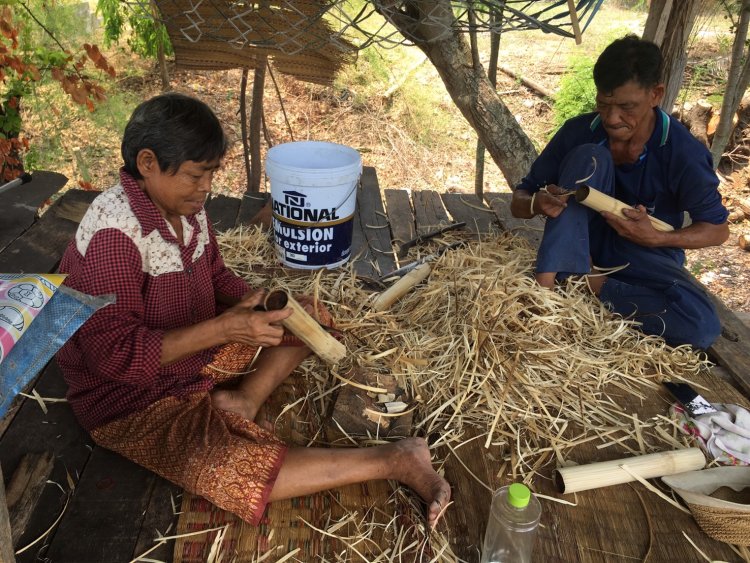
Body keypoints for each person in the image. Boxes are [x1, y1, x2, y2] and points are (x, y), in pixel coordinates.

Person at [56, 92, 450, 529]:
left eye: (211, 174)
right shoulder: (115, 237)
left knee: (310, 320)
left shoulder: (184, 206)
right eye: (194, 175)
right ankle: (394, 460)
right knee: (227, 469)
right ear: (147, 163)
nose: (205, 188)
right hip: (132, 398)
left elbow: (217, 276)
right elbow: (115, 357)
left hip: (193, 359)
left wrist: (267, 305)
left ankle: (242, 399)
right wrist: (225, 329)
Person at [510, 35, 729, 349]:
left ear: (656, 94)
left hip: (643, 251)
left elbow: (717, 230)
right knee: (589, 157)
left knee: (701, 326)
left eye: (627, 107)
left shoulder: (683, 152)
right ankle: (544, 291)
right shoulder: (578, 130)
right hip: (583, 239)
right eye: (604, 104)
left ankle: (585, 283)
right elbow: (519, 201)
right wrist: (536, 203)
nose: (612, 119)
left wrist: (658, 238)